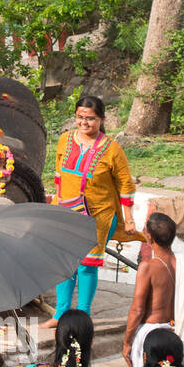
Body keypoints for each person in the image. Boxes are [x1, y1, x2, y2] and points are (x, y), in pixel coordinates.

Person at [49, 95, 144, 328]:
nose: (84, 123)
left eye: (90, 118)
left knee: (86, 264)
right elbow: (59, 174)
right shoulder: (65, 140)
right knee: (65, 263)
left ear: (101, 119)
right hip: (67, 211)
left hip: (98, 216)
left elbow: (125, 184)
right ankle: (59, 315)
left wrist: (129, 219)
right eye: (80, 117)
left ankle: (83, 317)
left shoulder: (112, 149)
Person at [123, 212, 184, 367]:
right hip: (174, 335)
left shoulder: (148, 267)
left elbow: (137, 310)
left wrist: (127, 342)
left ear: (149, 237)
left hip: (150, 336)